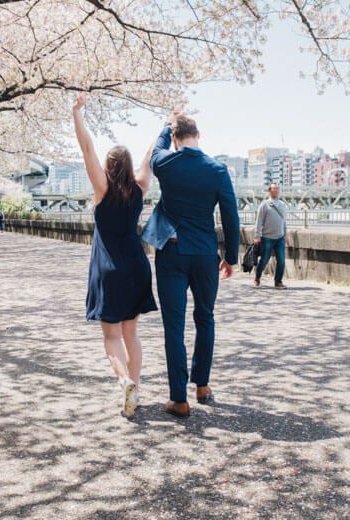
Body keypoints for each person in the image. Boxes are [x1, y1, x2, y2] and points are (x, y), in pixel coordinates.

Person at [141, 108, 240, 418]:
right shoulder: (218, 170)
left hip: (171, 253)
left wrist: (165, 123)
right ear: (199, 136)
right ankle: (202, 386)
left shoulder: (166, 163)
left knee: (174, 325)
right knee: (205, 317)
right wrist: (231, 257)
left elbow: (156, 150)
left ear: (175, 138)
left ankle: (177, 398)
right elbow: (230, 216)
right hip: (204, 254)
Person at [72, 93, 158, 417]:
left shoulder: (101, 188)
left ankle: (124, 382)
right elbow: (149, 157)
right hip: (136, 266)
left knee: (111, 336)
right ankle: (135, 384)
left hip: (109, 268)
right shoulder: (140, 188)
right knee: (131, 333)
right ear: (129, 165)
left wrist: (77, 113)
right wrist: (165, 127)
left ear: (108, 167)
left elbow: (87, 148)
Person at [253, 182, 288, 289]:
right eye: (274, 189)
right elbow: (259, 221)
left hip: (280, 237)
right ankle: (257, 277)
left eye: (278, 189)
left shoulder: (282, 205)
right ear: (269, 191)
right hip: (267, 237)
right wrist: (257, 236)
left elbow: (284, 221)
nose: (276, 191)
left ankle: (278, 282)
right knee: (264, 260)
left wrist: (285, 234)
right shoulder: (264, 204)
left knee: (281, 261)